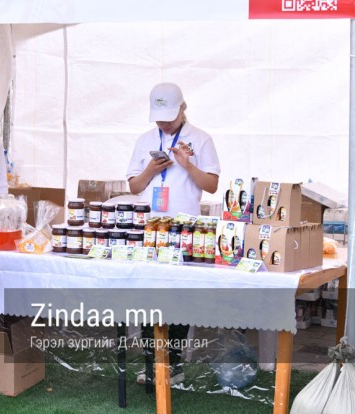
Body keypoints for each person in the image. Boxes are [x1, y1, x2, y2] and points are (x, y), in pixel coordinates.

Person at [126, 82, 221, 384]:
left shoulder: (201, 139)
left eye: (169, 117)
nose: (164, 123)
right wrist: (151, 170)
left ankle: (174, 365)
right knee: (148, 295)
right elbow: (134, 186)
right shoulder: (144, 140)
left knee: (179, 296)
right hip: (151, 228)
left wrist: (187, 165)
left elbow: (212, 185)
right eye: (159, 118)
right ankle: (151, 363)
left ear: (183, 108)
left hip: (185, 229)